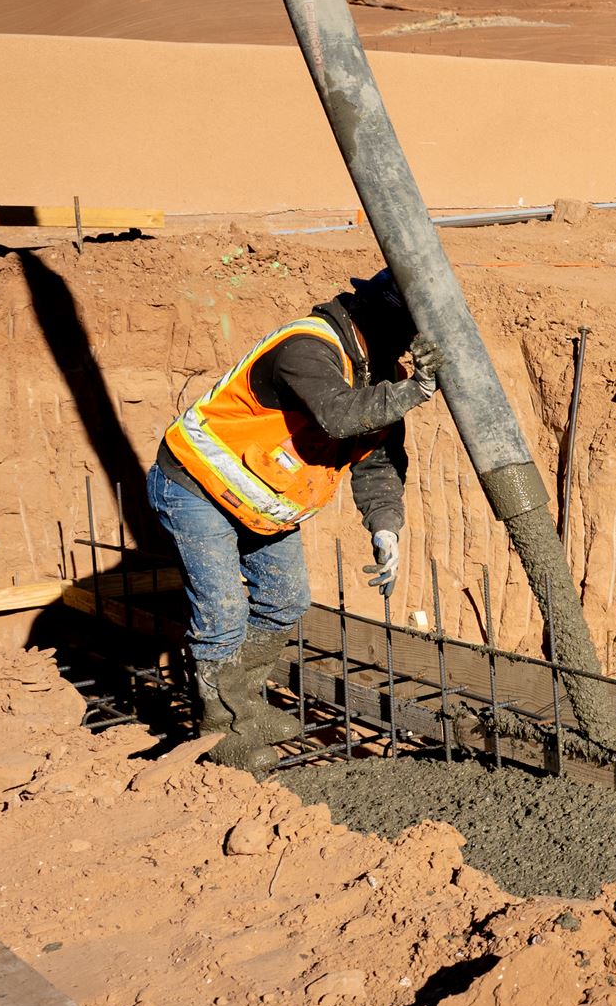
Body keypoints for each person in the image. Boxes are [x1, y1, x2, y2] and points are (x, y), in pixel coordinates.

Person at [146, 271, 440, 772]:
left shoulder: (376, 372)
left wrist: (384, 525)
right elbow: (339, 415)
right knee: (221, 616)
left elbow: (378, 459)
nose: (410, 347)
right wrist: (416, 390)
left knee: (285, 601)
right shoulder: (308, 346)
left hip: (259, 505)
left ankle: (246, 703)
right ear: (379, 316)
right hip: (195, 484)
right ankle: (220, 728)